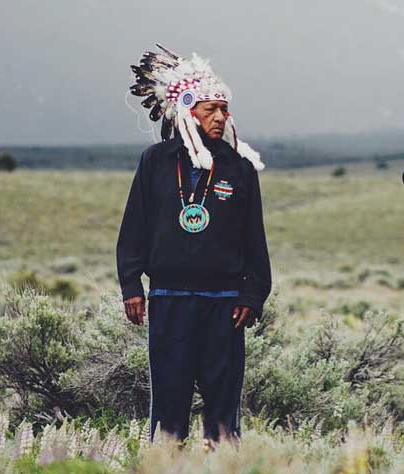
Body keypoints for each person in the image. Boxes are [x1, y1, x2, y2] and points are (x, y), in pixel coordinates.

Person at [117, 44, 271, 444]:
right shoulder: (156, 161)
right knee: (169, 401)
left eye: (224, 109)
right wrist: (132, 285)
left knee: (222, 409)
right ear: (187, 110)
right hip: (169, 300)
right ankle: (166, 465)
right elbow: (135, 226)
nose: (220, 117)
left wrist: (253, 294)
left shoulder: (240, 168)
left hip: (224, 304)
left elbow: (254, 237)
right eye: (210, 109)